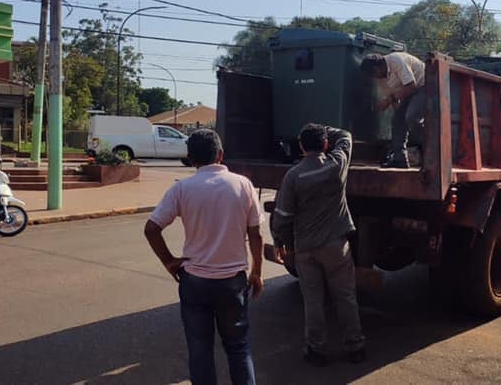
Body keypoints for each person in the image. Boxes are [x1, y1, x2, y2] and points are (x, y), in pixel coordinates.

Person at [143, 129, 264, 385]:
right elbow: (256, 235)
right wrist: (257, 272)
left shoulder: (182, 189)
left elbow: (151, 229)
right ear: (220, 155)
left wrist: (169, 261)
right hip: (233, 282)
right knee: (238, 348)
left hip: (194, 281)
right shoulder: (243, 185)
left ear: (190, 158)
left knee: (200, 351)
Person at [271, 123, 366, 367]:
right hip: (336, 245)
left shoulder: (294, 175)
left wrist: (280, 241)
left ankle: (316, 351)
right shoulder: (337, 165)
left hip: (305, 249)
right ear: (325, 145)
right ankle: (355, 347)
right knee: (345, 297)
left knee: (313, 300)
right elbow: (346, 136)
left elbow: (283, 214)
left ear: (301, 147)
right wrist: (326, 129)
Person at [360, 52, 426, 168]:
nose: (374, 78)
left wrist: (388, 100)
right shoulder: (381, 79)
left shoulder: (396, 60)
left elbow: (411, 86)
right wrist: (399, 119)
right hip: (407, 91)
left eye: (373, 74)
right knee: (397, 121)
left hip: (424, 85)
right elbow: (395, 100)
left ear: (377, 68)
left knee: (412, 116)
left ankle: (433, 147)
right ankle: (400, 159)